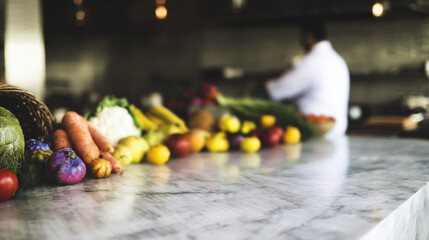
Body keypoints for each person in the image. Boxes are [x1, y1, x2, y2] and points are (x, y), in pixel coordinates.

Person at [266, 19, 350, 138]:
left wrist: (260, 84)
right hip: (338, 134)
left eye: (301, 36)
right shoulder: (338, 61)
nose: (300, 41)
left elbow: (277, 90)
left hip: (316, 138)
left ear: (309, 36)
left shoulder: (310, 62)